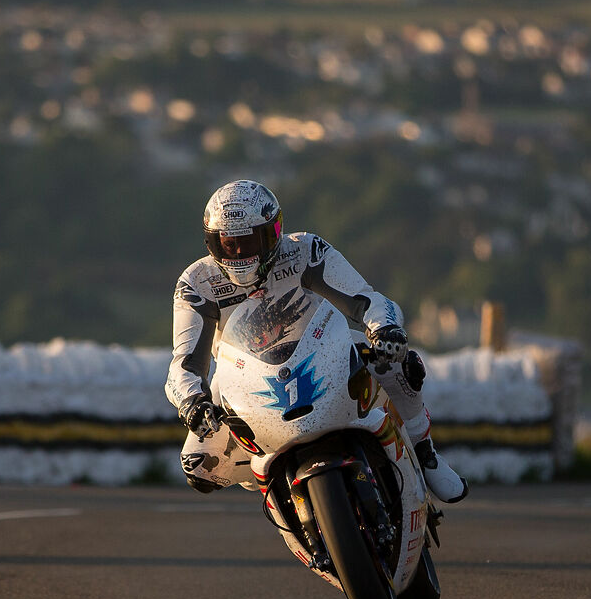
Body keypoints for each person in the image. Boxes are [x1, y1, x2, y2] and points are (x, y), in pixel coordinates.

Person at [168, 179, 467, 503]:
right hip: (245, 383)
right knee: (197, 466)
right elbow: (183, 365)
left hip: (323, 350)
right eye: (230, 244)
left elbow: (366, 299)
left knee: (399, 363)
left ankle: (425, 454)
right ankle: (281, 491)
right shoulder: (196, 283)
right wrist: (191, 401)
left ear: (273, 232)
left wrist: (385, 329)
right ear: (212, 243)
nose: (241, 253)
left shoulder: (305, 250)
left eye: (252, 240)